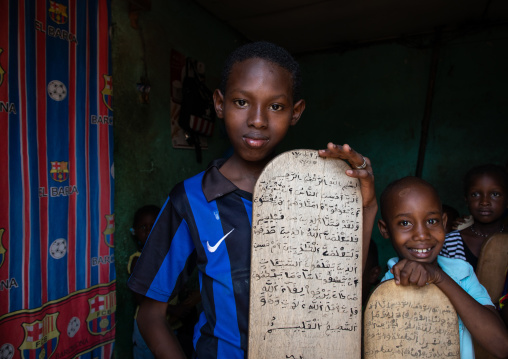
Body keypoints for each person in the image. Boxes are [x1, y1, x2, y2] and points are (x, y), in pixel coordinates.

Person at [127, 41, 378, 359]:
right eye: (242, 101)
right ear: (219, 104)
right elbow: (150, 316)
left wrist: (367, 205)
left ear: (295, 112)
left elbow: (342, 287)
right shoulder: (190, 199)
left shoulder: (313, 194)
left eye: (276, 106)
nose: (258, 120)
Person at [377, 176, 508, 359]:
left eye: (432, 221)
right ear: (385, 230)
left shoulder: (462, 272)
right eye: (405, 223)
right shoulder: (385, 288)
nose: (422, 235)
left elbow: (501, 346)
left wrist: (439, 277)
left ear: (444, 223)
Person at [440, 164, 508, 270]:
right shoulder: (450, 243)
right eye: (475, 195)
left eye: (495, 194)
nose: (484, 202)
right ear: (466, 200)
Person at [128, 205, 160, 359]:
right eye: (143, 227)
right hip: (147, 325)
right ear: (134, 231)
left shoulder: (167, 258)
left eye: (154, 226)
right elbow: (140, 298)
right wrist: (174, 310)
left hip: (170, 324)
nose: (149, 231)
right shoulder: (137, 261)